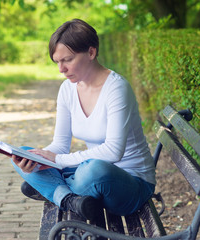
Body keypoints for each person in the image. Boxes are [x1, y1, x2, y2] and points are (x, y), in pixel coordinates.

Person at [11, 19, 156, 220]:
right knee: (23, 154)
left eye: (67, 60)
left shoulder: (116, 88)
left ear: (91, 52)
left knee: (93, 169)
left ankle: (53, 189)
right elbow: (60, 145)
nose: (61, 69)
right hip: (90, 178)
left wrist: (57, 162)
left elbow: (114, 151)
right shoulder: (67, 89)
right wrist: (38, 158)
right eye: (57, 62)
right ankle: (68, 198)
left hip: (130, 184)